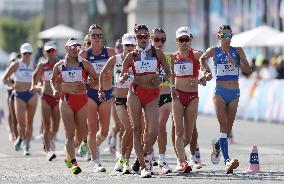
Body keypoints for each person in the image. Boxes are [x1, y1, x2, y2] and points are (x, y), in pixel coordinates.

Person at [199, 25, 252, 174]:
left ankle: (217, 146)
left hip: (234, 92)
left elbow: (249, 70)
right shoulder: (213, 51)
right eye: (224, 36)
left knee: (228, 130)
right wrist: (206, 71)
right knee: (223, 126)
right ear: (219, 36)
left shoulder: (238, 51)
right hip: (220, 92)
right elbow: (202, 59)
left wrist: (235, 62)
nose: (227, 39)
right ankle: (227, 161)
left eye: (230, 36)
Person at [120, 24, 171, 178]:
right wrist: (123, 77)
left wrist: (161, 78)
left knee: (153, 132)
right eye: (139, 36)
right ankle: (143, 167)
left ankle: (140, 154)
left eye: (145, 36)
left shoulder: (158, 53)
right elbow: (122, 74)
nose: (143, 39)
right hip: (135, 93)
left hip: (152, 94)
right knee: (136, 129)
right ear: (135, 38)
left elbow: (169, 73)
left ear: (149, 36)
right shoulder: (131, 55)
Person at [50, 38, 97, 174]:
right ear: (66, 48)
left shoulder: (85, 64)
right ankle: (74, 163)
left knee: (81, 134)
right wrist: (54, 89)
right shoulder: (59, 65)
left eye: (78, 46)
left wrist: (88, 84)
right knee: (70, 134)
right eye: (72, 47)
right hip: (66, 100)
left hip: (82, 100)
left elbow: (96, 79)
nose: (76, 49)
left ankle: (68, 155)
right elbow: (52, 80)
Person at [80, 24, 116, 172]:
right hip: (90, 94)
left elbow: (116, 72)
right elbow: (79, 77)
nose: (96, 38)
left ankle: (91, 146)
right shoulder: (84, 54)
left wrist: (110, 74)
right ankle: (96, 162)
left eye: (99, 35)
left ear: (102, 36)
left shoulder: (110, 52)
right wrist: (87, 80)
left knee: (104, 131)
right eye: (93, 35)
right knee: (92, 129)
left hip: (106, 93)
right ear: (89, 36)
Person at [100, 33, 136, 174]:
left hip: (134, 99)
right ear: (122, 46)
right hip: (120, 99)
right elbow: (102, 73)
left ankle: (125, 161)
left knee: (132, 130)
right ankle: (121, 157)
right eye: (126, 45)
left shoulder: (137, 59)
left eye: (131, 45)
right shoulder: (116, 59)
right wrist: (101, 90)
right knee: (127, 128)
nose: (128, 48)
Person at [170, 27, 205, 173]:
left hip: (192, 97)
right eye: (181, 40)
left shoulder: (197, 55)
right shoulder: (172, 57)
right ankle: (182, 161)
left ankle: (181, 155)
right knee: (178, 131)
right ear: (177, 41)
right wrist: (172, 86)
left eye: (186, 39)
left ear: (190, 39)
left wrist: (202, 79)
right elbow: (170, 74)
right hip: (178, 96)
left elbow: (206, 73)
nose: (184, 42)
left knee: (188, 135)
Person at [2, 43, 37, 156]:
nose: (27, 55)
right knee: (21, 123)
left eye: (29, 53)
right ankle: (20, 137)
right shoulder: (16, 64)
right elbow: (4, 78)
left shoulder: (34, 65)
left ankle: (27, 145)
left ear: (31, 54)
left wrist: (37, 86)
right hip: (19, 95)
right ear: (21, 54)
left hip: (31, 95)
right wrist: (12, 86)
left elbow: (40, 79)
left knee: (30, 122)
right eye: (25, 53)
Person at [30, 41, 60, 161]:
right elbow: (34, 75)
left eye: (53, 50)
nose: (51, 53)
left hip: (57, 98)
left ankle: (48, 140)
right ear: (44, 53)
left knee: (56, 127)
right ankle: (49, 150)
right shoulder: (42, 65)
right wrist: (34, 85)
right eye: (48, 51)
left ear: (56, 51)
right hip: (45, 97)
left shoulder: (60, 65)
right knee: (46, 125)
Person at [149, 28, 172, 174]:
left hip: (166, 95)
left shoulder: (169, 56)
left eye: (162, 40)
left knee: (161, 127)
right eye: (157, 39)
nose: (160, 42)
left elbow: (172, 75)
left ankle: (162, 160)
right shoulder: (145, 56)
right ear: (151, 39)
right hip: (150, 97)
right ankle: (149, 156)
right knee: (150, 130)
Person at [5, 52, 19, 141]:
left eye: (16, 59)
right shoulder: (9, 69)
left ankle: (20, 132)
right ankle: (11, 132)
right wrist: (13, 86)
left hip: (19, 93)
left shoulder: (19, 68)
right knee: (11, 114)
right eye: (13, 60)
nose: (15, 61)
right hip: (11, 94)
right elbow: (5, 82)